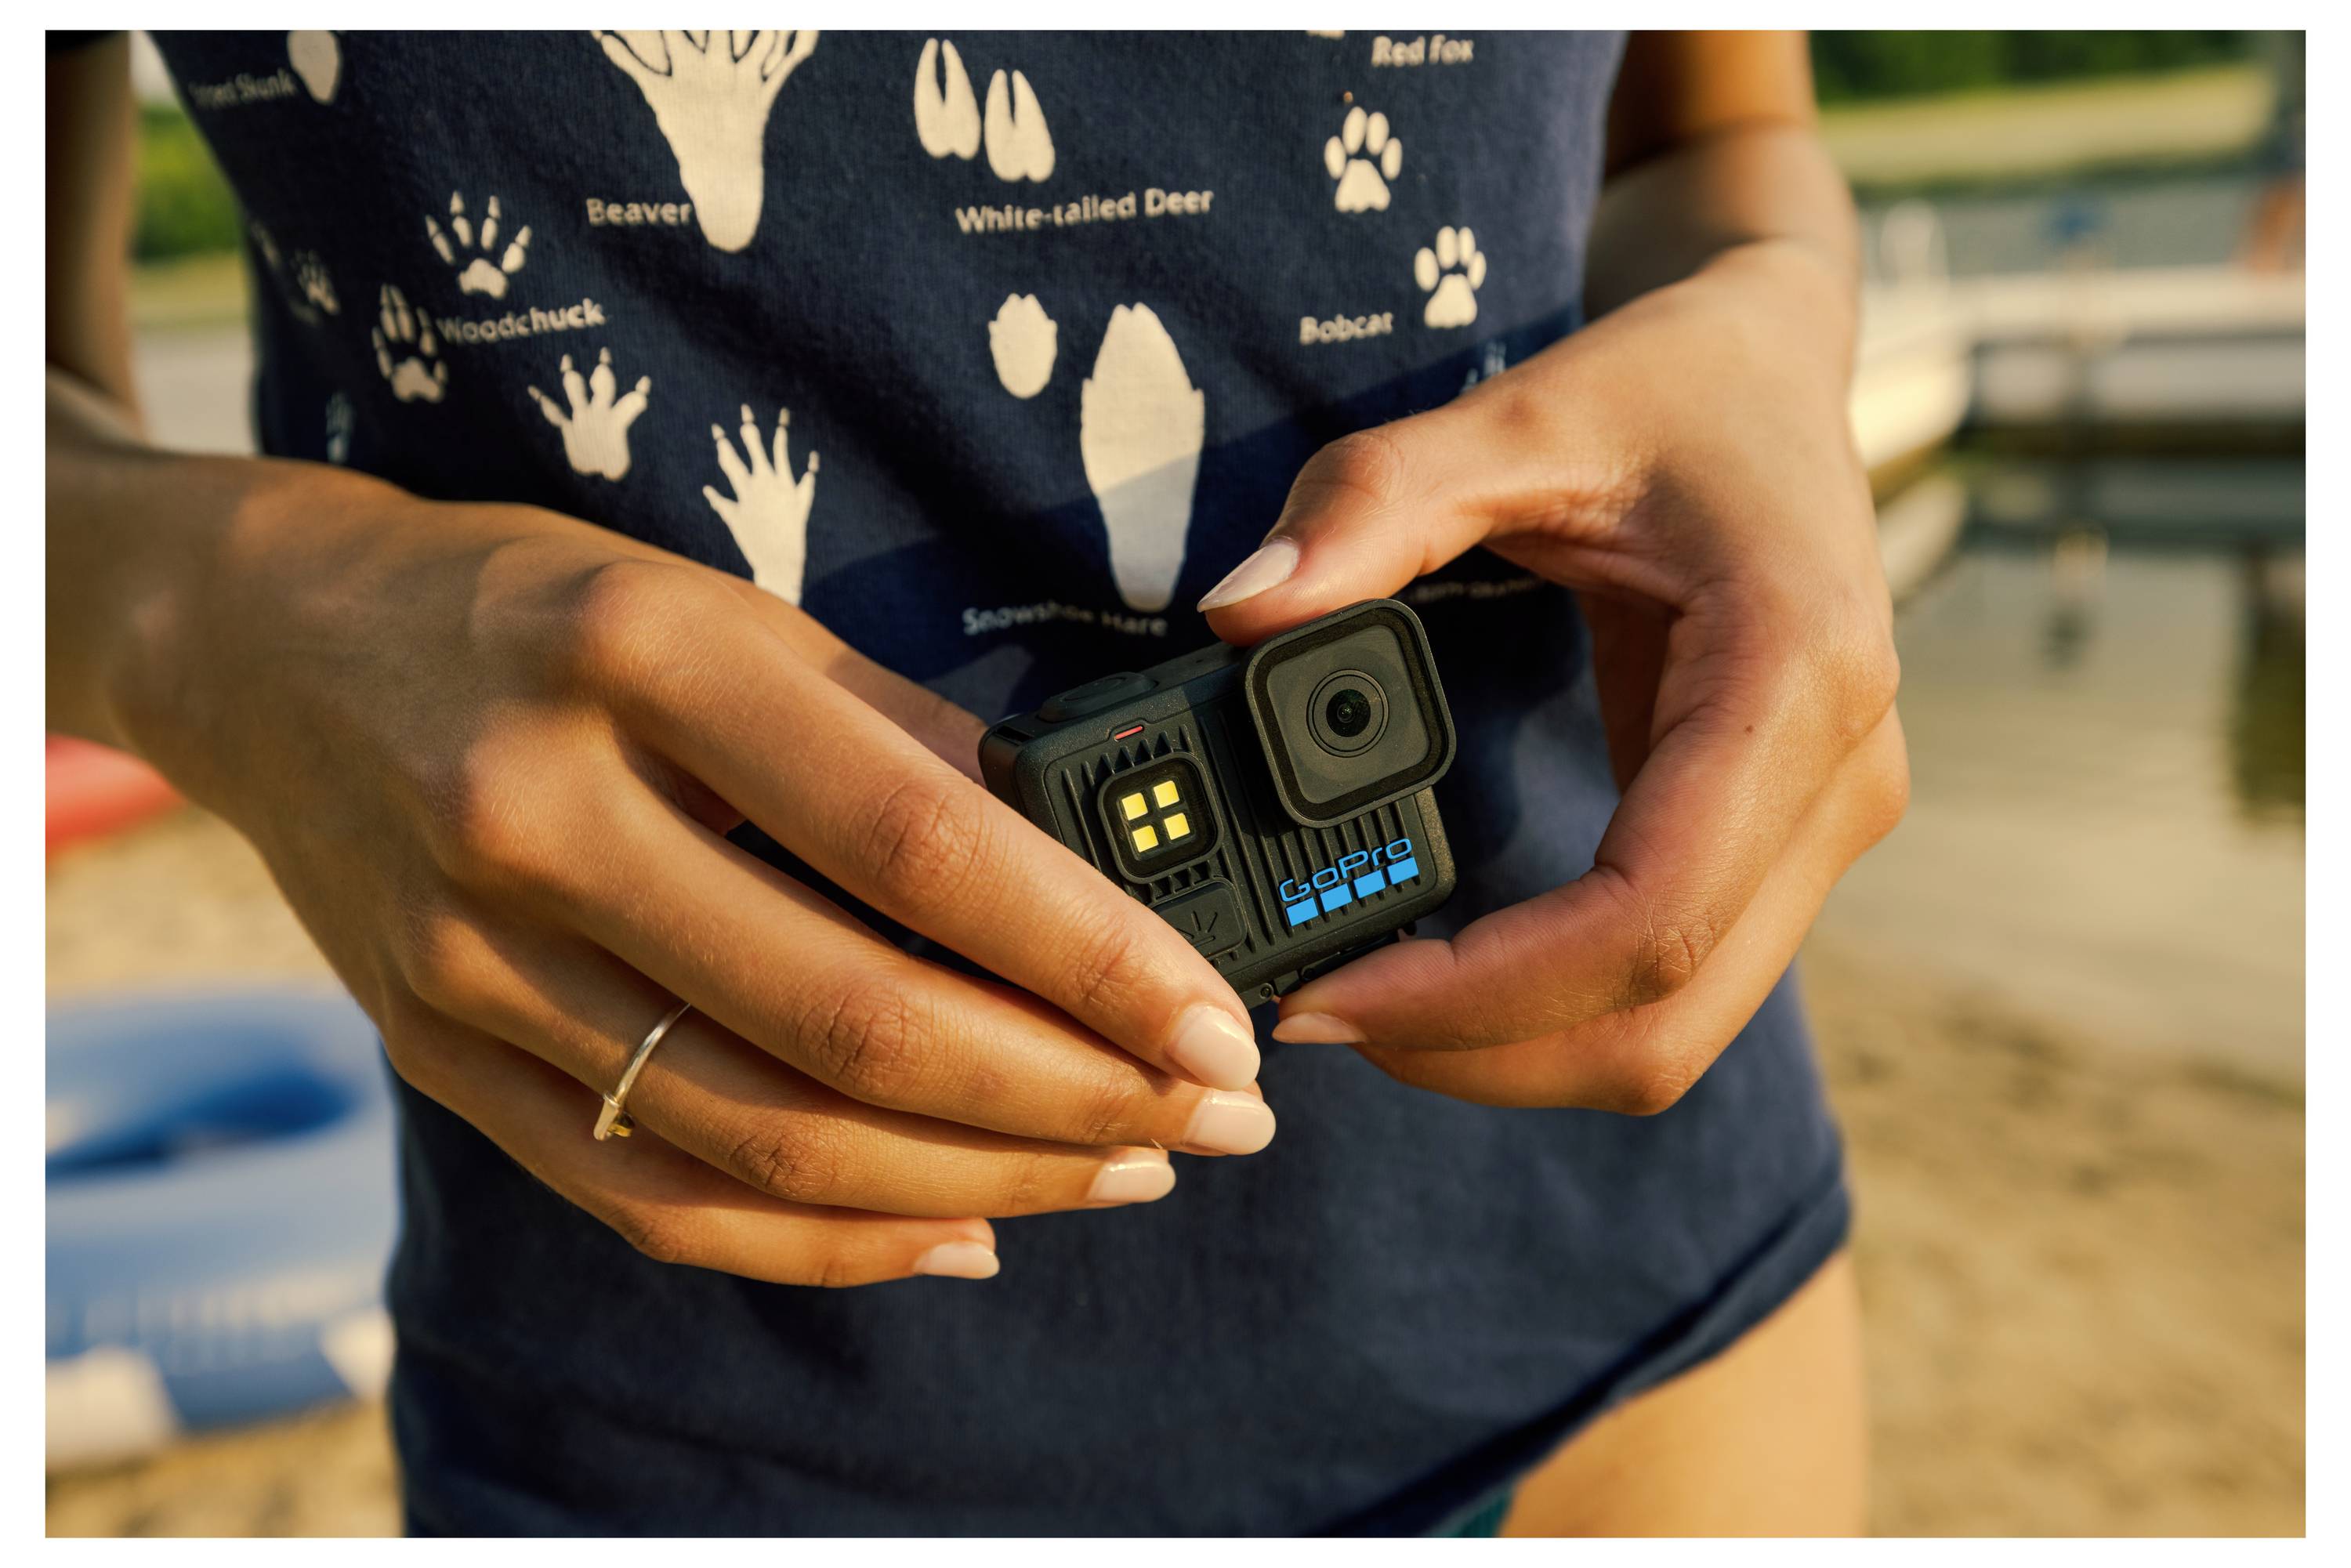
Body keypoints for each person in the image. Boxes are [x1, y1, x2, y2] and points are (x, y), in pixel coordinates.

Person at [47, 29, 1905, 1535]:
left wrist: (1778, 321)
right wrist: (221, 621)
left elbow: (1709, 134)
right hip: (702, 1397)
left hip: (1649, 1305)